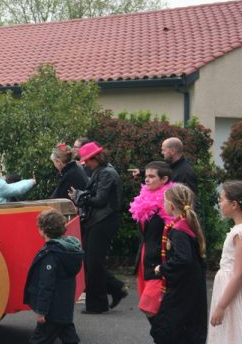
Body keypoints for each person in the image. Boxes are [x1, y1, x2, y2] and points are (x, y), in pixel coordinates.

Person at [69, 142, 127, 314]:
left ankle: (98, 304)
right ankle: (113, 291)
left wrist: (80, 197)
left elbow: (100, 200)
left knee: (92, 263)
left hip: (103, 220)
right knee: (92, 262)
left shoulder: (105, 173)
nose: (85, 164)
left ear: (96, 158)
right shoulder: (103, 171)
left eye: (87, 160)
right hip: (101, 220)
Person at [151, 184, 207, 344]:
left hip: (182, 288)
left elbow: (183, 258)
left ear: (171, 205)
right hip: (191, 285)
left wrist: (162, 268)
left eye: (164, 201)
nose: (163, 205)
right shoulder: (187, 224)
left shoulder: (179, 230)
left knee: (169, 329)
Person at [23, 210, 84, 344]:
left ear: (43, 230)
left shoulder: (51, 255)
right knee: (70, 339)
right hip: (65, 309)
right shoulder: (69, 251)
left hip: (52, 312)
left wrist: (41, 312)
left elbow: (46, 286)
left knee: (38, 340)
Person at [128, 161, 174, 319]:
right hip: (145, 258)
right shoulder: (145, 197)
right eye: (146, 176)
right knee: (150, 310)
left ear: (164, 179)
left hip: (160, 260)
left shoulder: (169, 202)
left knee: (150, 307)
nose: (146, 179)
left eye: (151, 176)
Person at [207, 180, 242, 343]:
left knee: (232, 334)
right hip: (228, 290)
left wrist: (221, 306)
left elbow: (238, 274)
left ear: (234, 204)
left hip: (232, 294)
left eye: (221, 200)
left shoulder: (239, 233)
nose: (219, 203)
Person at [129, 137, 198, 194]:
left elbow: (190, 198)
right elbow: (159, 172)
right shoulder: (171, 166)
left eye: (164, 150)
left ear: (172, 151)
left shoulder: (186, 172)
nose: (162, 153)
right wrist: (140, 172)